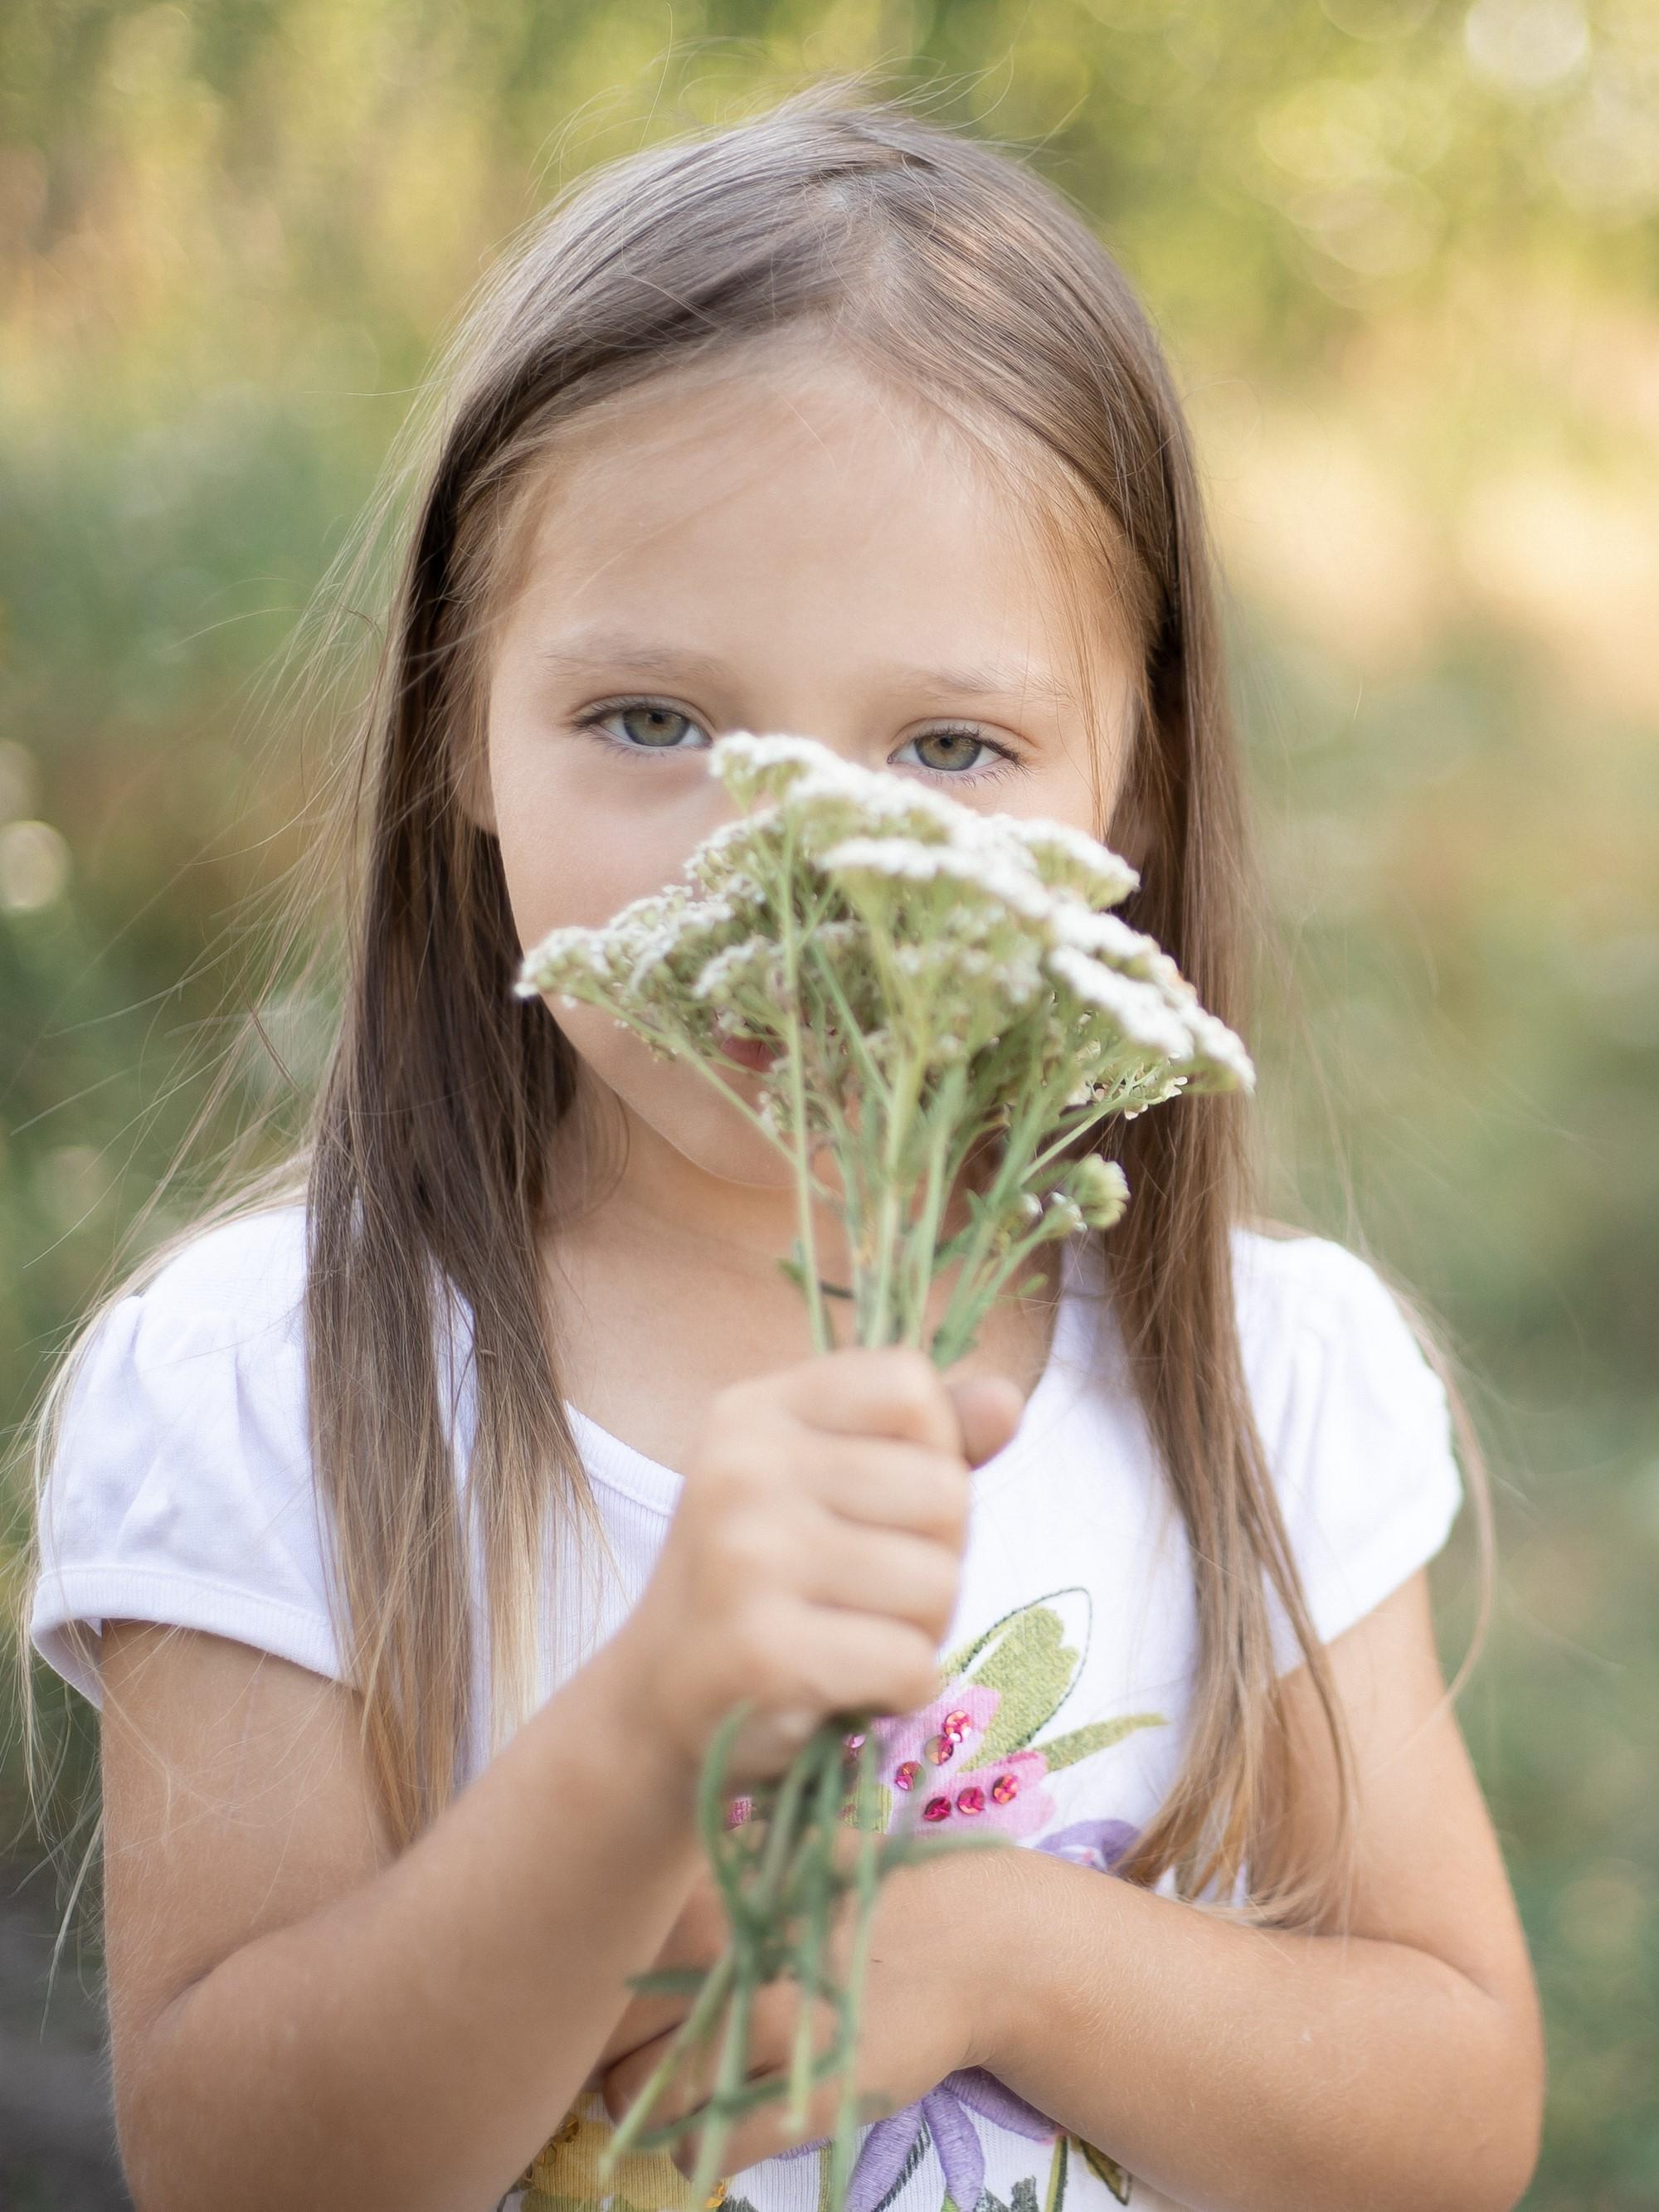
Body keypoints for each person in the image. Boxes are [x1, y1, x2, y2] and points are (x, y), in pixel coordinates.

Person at [13, 84, 1543, 2212]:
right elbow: (244, 2170)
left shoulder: (1255, 1376)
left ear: (1137, 793)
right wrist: (654, 1721)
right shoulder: (270, 1372)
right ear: (461, 722)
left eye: (947, 746)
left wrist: (995, 1943)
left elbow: (1450, 2128)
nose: (801, 871)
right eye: (651, 720)